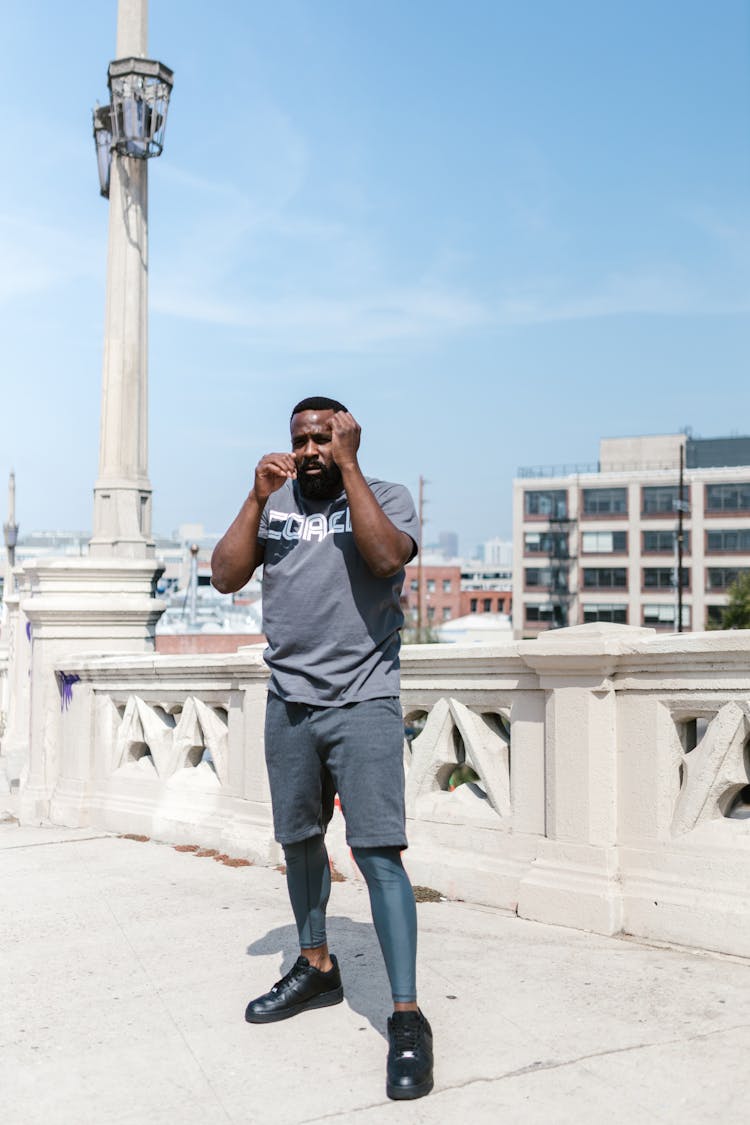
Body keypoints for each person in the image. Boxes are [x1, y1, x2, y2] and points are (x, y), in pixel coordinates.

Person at [211, 396, 433, 1101]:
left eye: (325, 437)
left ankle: (406, 1016)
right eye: (303, 438)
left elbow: (383, 555)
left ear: (347, 436)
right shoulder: (274, 504)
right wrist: (253, 498)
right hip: (291, 702)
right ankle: (316, 965)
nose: (311, 450)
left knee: (378, 854)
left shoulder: (385, 494)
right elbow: (223, 574)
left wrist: (351, 465)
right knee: (300, 839)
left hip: (364, 698)